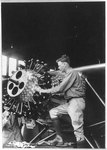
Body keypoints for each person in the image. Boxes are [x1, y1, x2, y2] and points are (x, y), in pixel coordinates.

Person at [35, 54, 86, 146]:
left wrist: (42, 91)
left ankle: (81, 146)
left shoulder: (72, 73)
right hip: (70, 103)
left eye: (59, 65)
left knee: (78, 131)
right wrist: (45, 73)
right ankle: (59, 138)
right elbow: (59, 73)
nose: (58, 67)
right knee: (53, 112)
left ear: (65, 64)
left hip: (76, 102)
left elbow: (60, 88)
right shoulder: (68, 73)